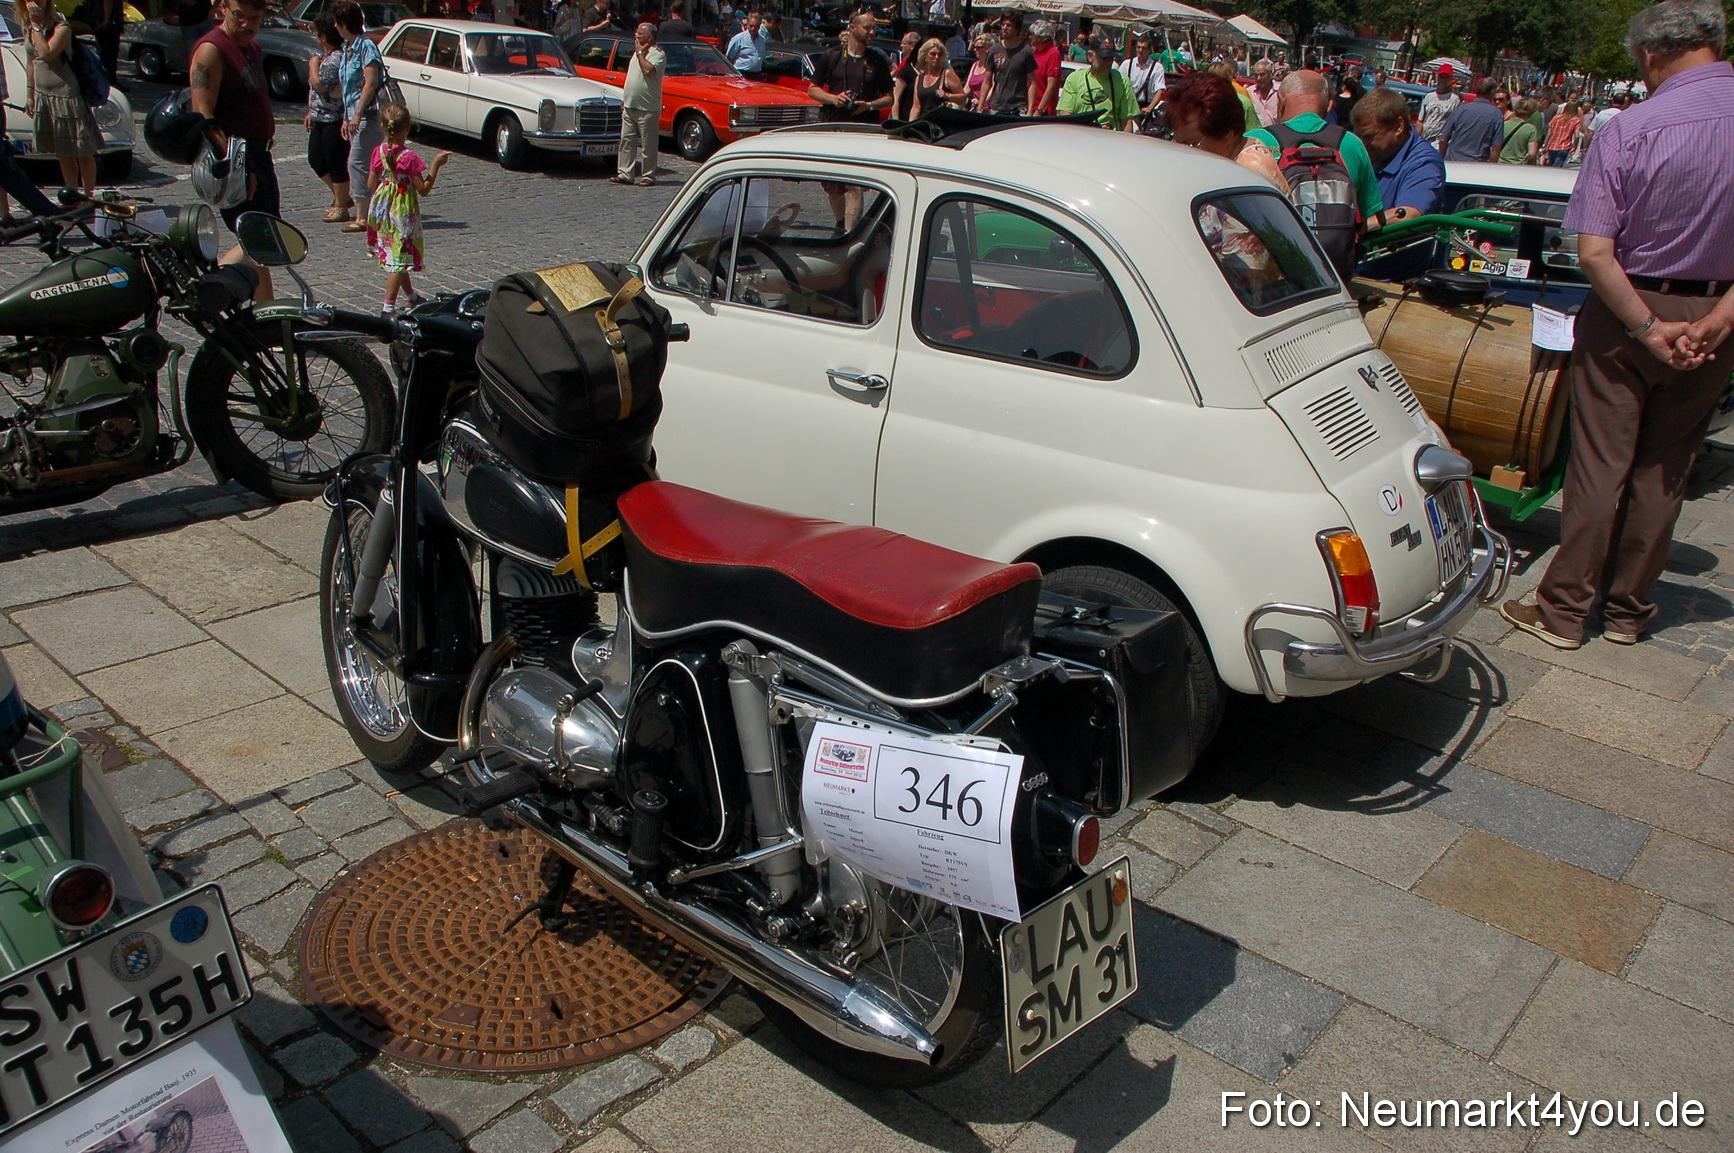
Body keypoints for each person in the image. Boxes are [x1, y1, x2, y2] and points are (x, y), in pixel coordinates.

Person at [1501, 0, 1734, 651]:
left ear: (1650, 54)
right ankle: (1629, 611)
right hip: (1716, 315)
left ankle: (1565, 610)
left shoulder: (1632, 127)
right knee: (1666, 469)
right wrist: (1718, 319)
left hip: (1629, 307)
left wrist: (1647, 328)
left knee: (1600, 465)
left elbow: (1596, 254)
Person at [1247, 70, 1382, 278]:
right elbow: (1364, 222)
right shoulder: (1352, 144)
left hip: (1272, 279)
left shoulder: (1255, 141)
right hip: (1333, 277)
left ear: (1280, 101)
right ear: (1329, 105)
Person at [187, 0, 277, 296]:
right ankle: (215, 291)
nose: (246, 25)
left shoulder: (252, 47)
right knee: (257, 238)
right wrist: (237, 168)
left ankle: (229, 293)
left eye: (255, 18)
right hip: (237, 159)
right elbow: (203, 114)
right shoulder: (212, 49)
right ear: (223, 7)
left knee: (262, 237)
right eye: (239, 16)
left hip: (260, 155)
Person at [366, 103, 449, 313]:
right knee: (398, 261)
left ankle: (411, 296)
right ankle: (388, 308)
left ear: (384, 126)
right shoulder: (409, 157)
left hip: (382, 210)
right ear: (407, 127)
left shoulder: (378, 152)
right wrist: (436, 165)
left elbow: (370, 184)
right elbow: (423, 189)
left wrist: (388, 187)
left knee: (396, 252)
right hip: (401, 212)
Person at [23, 0, 100, 199]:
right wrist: (30, 95)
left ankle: (89, 197)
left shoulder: (61, 27)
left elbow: (45, 53)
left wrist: (37, 26)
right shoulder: (29, 27)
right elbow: (31, 62)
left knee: (82, 151)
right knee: (63, 152)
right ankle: (72, 195)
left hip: (66, 96)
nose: (33, 3)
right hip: (45, 97)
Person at [1167, 70, 1286, 191]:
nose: (1182, 153)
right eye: (1176, 142)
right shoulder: (1226, 160)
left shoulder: (1248, 176)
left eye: (1191, 144)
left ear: (1228, 135)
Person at [305, 17, 352, 222]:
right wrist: (311, 111)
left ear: (323, 37)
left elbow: (321, 85)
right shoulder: (326, 56)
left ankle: (341, 206)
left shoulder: (335, 59)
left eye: (317, 34)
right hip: (319, 117)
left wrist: (312, 65)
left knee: (336, 162)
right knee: (316, 159)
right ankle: (343, 198)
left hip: (334, 120)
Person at [809, 10, 892, 123]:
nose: (872, 32)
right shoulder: (832, 56)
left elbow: (890, 99)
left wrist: (869, 105)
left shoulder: (877, 60)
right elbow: (812, 90)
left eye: (874, 28)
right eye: (867, 28)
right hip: (835, 125)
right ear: (852, 28)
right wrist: (834, 99)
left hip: (865, 127)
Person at [614, 21, 662, 185]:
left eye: (640, 34)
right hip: (630, 105)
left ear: (649, 37)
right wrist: (626, 98)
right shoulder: (636, 53)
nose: (636, 36)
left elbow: (648, 71)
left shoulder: (657, 54)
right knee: (626, 141)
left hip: (647, 108)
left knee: (648, 144)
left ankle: (648, 175)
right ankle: (625, 173)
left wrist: (641, 54)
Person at [1056, 36, 1138, 131]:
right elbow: (1065, 115)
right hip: (1081, 136)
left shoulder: (1122, 80)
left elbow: (1127, 120)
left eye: (1111, 58)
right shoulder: (1074, 79)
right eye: (1104, 58)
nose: (1108, 62)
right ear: (1090, 56)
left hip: (1111, 137)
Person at [1438, 76, 1506, 161]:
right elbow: (1496, 147)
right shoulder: (1496, 115)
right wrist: (1491, 166)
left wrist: (1441, 160)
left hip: (1453, 162)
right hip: (1476, 164)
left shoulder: (1461, 110)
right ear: (1492, 92)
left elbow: (1443, 139)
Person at [982, 11, 1034, 115]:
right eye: (1003, 24)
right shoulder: (994, 50)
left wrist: (1030, 111)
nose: (1005, 28)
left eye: (1009, 25)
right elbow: (987, 82)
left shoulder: (1026, 51)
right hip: (996, 107)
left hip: (1018, 108)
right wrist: (980, 106)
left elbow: (1032, 83)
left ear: (1017, 29)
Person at [904, 36, 964, 118]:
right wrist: (911, 124)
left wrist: (947, 95)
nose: (936, 57)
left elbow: (963, 98)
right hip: (924, 122)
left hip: (941, 122)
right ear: (925, 56)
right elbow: (916, 107)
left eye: (939, 54)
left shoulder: (947, 74)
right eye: (933, 54)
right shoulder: (919, 78)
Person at [1417, 63, 1460, 146]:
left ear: (1451, 79)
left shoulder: (1456, 99)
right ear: (1437, 77)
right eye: (1441, 76)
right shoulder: (1429, 96)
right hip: (1425, 142)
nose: (1443, 79)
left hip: (1442, 144)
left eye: (1446, 77)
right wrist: (1415, 141)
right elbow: (1420, 121)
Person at [1027, 20, 1060, 115]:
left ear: (1040, 37)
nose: (1030, 37)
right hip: (1030, 107)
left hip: (1044, 111)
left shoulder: (1053, 54)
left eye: (1032, 34)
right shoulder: (1033, 52)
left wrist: (1039, 110)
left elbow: (1051, 87)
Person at [724, 8, 765, 80]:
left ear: (759, 26)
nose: (753, 28)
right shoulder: (738, 39)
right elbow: (729, 59)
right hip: (742, 74)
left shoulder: (762, 40)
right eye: (751, 26)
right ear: (747, 24)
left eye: (755, 26)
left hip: (757, 75)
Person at [89, 0, 123, 85]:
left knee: (104, 53)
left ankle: (105, 80)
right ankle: (107, 81)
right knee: (108, 55)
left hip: (102, 22)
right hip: (108, 25)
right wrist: (106, 20)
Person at [1499, 95, 1540, 164]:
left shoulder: (1503, 124)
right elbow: (1532, 153)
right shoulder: (1530, 129)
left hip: (1500, 164)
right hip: (1518, 165)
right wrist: (1524, 158)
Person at [890, 30, 919, 119]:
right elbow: (896, 97)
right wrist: (895, 121)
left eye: (904, 43)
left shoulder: (924, 67)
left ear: (912, 46)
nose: (901, 45)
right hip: (903, 116)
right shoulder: (905, 64)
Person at [1543, 99, 1582, 166]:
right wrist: (1574, 147)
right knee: (1557, 166)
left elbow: (1549, 133)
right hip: (1564, 147)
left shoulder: (1556, 118)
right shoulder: (1576, 120)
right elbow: (1577, 135)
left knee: (1551, 165)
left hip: (1552, 146)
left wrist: (1545, 144)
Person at [964, 31, 994, 110]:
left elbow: (993, 88)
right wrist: (957, 97)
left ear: (988, 48)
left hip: (987, 108)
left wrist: (981, 102)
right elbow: (967, 87)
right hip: (973, 106)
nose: (975, 49)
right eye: (974, 47)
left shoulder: (993, 66)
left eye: (978, 47)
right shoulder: (975, 65)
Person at [1245, 57, 1278, 126]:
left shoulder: (1279, 93)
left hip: (1275, 132)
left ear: (1270, 74)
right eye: (1256, 75)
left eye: (1262, 74)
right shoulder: (1249, 92)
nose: (1258, 78)